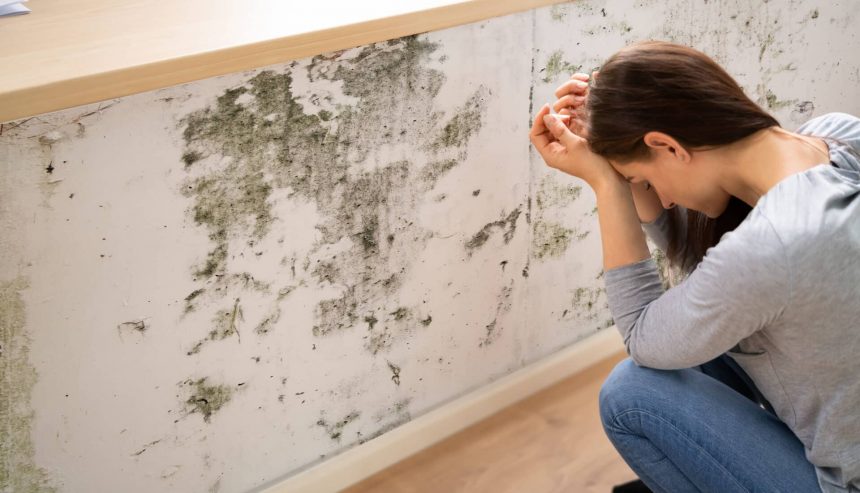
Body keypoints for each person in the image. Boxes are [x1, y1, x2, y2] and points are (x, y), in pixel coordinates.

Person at [529, 40, 860, 493]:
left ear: (666, 144)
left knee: (631, 395)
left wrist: (607, 186)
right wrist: (616, 144)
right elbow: (715, 268)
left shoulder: (774, 245)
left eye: (644, 181)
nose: (661, 199)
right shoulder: (840, 137)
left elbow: (642, 336)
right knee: (702, 340)